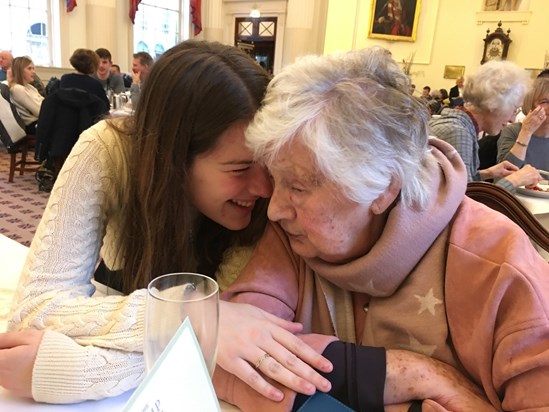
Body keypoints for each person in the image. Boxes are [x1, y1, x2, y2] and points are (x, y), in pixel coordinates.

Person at [215, 46, 549, 411]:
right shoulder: (293, 237)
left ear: (383, 187)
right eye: (275, 179)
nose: (275, 209)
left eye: (297, 186)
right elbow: (231, 365)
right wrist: (417, 376)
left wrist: (331, 383)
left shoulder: (501, 268)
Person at [2, 40, 333, 404]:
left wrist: (71, 368)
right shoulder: (109, 150)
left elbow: (233, 356)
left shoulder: (271, 207)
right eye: (240, 169)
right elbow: (36, 310)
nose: (268, 190)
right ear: (173, 160)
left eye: (269, 164)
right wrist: (197, 319)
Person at [429, 60, 542, 192]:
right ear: (494, 104)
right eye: (514, 109)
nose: (512, 119)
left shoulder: (460, 125)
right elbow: (466, 201)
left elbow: (459, 183)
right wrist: (515, 180)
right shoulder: (458, 133)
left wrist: (487, 173)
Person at [497, 77, 549, 171]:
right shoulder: (512, 131)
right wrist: (526, 132)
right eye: (544, 102)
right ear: (530, 105)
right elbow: (505, 172)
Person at [8, 56, 44, 134]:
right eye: (29, 68)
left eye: (33, 68)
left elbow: (44, 102)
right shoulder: (17, 89)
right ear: (20, 71)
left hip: (41, 121)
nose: (33, 72)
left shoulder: (30, 87)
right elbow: (39, 111)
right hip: (33, 125)